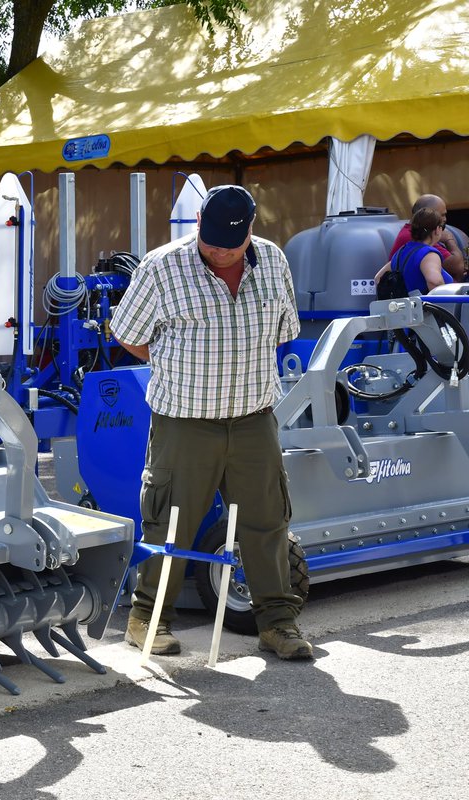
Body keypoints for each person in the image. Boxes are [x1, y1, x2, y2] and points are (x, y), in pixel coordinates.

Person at [110, 185, 312, 661]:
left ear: (250, 232)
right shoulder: (161, 267)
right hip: (185, 422)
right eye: (212, 239)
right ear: (197, 224)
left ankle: (277, 623)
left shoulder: (274, 261)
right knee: (170, 524)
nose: (220, 250)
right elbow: (128, 336)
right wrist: (178, 365)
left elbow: (285, 330)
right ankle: (149, 619)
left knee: (267, 523)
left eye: (232, 243)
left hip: (253, 418)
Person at [375, 207, 451, 294]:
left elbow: (378, 278)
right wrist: (444, 303)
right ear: (437, 229)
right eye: (443, 227)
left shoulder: (402, 251)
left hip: (402, 306)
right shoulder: (429, 254)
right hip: (424, 306)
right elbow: (434, 281)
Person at [388, 194, 465, 281]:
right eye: (442, 215)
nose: (444, 219)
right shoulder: (418, 238)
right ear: (428, 215)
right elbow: (457, 267)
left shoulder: (416, 234)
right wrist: (449, 239)